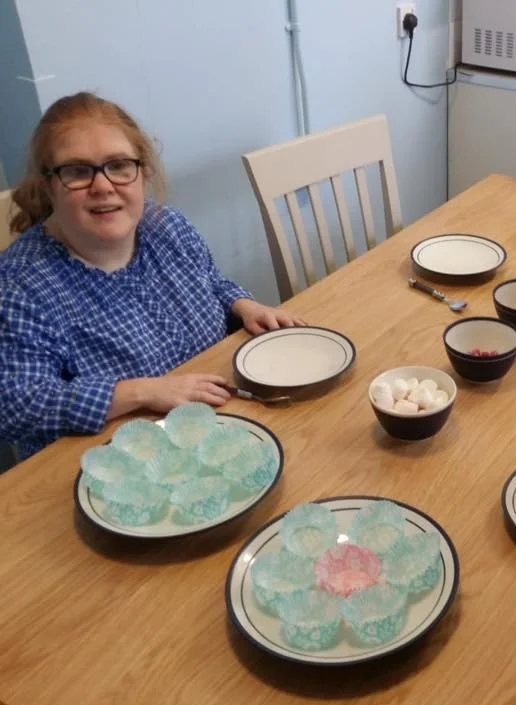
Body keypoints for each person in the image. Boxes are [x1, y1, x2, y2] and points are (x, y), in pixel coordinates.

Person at [0, 92, 304, 458]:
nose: (103, 186)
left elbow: (211, 281)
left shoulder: (167, 226)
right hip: (121, 461)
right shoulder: (20, 284)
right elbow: (14, 405)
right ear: (48, 184)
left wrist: (242, 305)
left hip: (219, 424)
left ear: (142, 172)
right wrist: (142, 392)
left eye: (118, 165)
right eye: (77, 171)